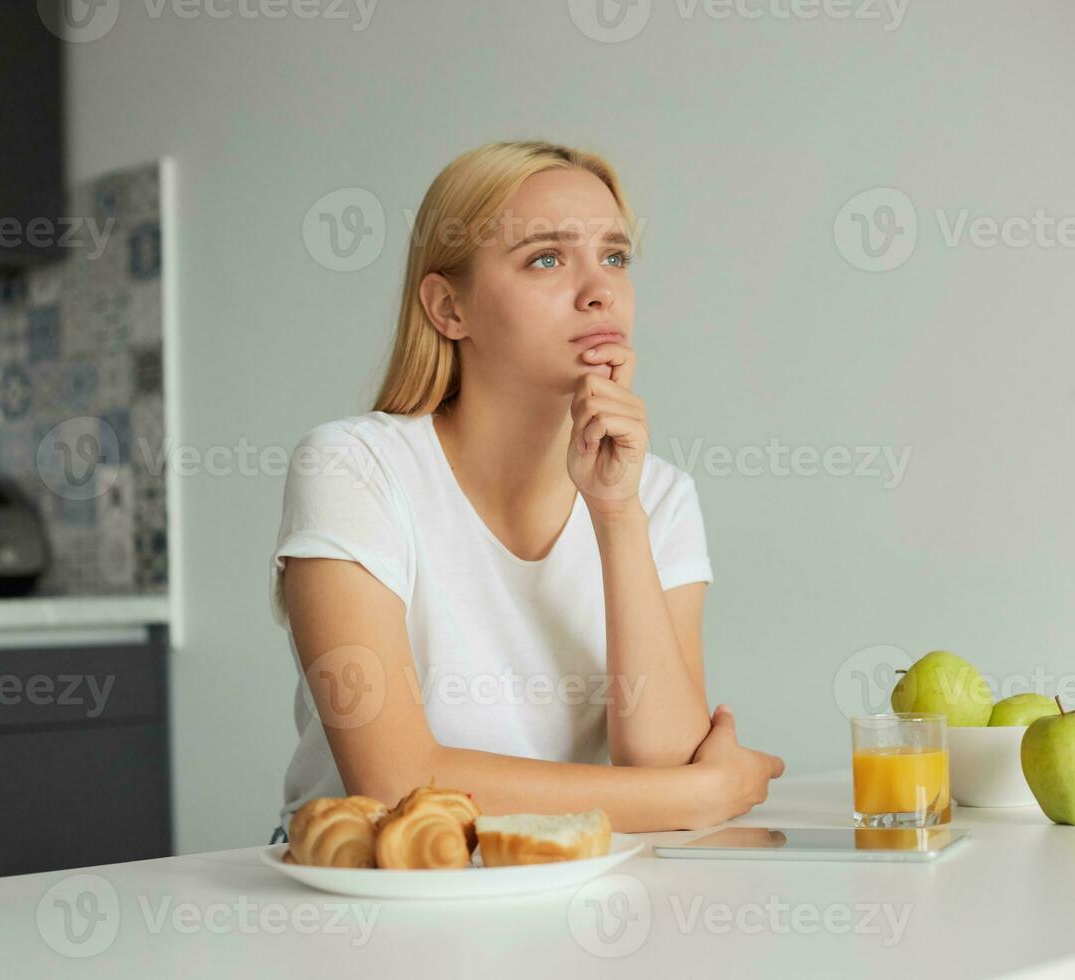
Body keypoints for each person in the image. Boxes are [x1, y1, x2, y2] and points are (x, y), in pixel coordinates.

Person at [267, 139, 784, 842]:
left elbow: (660, 759)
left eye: (615, 256)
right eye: (546, 257)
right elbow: (393, 782)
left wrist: (615, 514)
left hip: (568, 888)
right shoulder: (354, 469)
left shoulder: (656, 497)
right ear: (450, 309)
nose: (599, 288)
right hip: (377, 901)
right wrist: (696, 796)